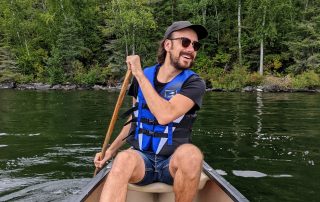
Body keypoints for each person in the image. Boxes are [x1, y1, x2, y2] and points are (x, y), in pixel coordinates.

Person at [94, 21, 208, 202]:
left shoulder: (194, 83)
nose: (191, 49)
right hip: (142, 159)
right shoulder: (144, 76)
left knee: (192, 155)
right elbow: (135, 118)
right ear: (168, 45)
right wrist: (111, 150)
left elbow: (165, 115)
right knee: (123, 159)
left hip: (172, 161)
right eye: (185, 42)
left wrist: (138, 74)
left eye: (196, 45)